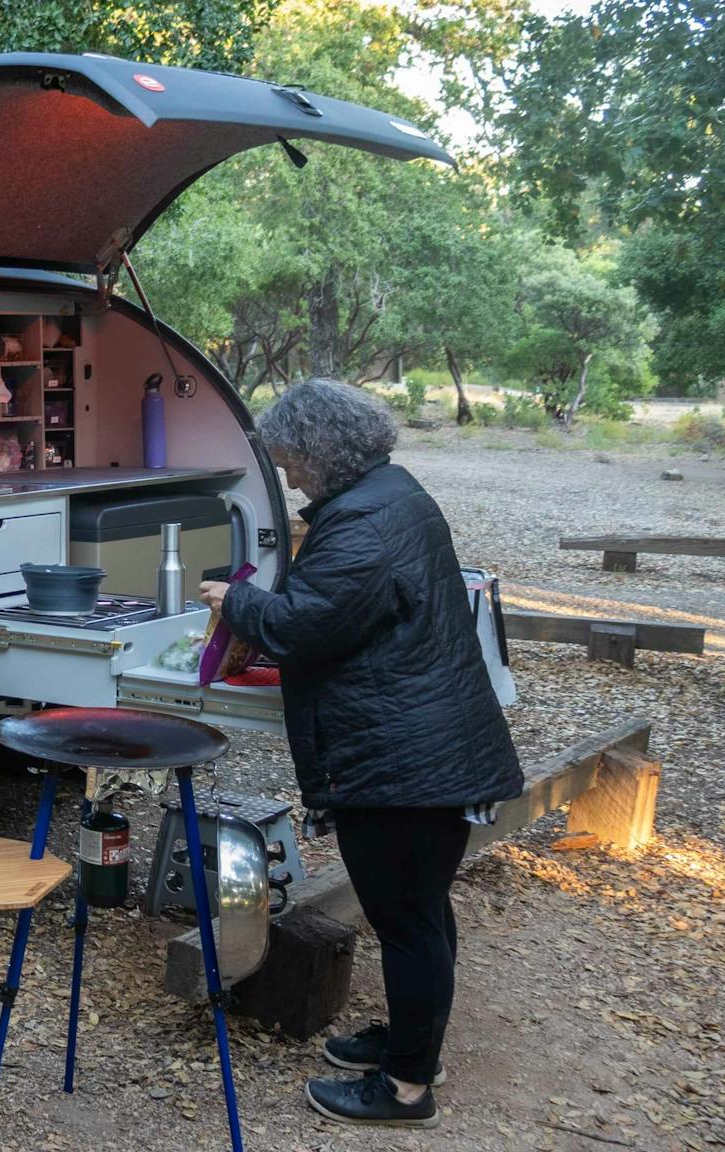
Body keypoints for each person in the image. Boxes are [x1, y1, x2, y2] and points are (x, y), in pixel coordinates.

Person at [197, 378, 523, 1129]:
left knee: (406, 918)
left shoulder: (364, 524)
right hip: (426, 741)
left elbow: (304, 625)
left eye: (292, 462)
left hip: (402, 757)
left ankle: (407, 1088)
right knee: (420, 910)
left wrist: (232, 601)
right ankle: (415, 1042)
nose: (288, 476)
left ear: (322, 451)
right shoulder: (391, 494)